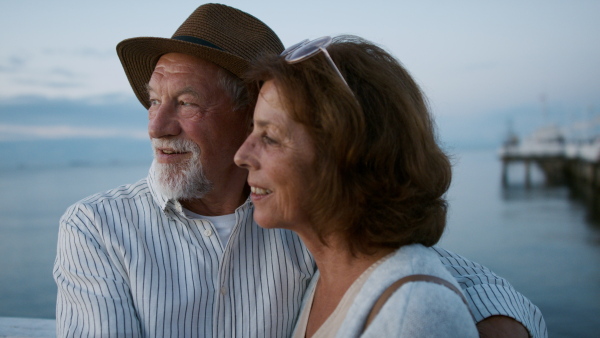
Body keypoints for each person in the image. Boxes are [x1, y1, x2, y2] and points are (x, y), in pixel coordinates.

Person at [53, 3, 546, 337]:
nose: (156, 126)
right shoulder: (98, 228)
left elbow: (420, 270)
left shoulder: (301, 209)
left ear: (252, 114)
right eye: (153, 101)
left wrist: (472, 318)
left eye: (185, 102)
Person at [234, 34, 480, 337]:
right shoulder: (327, 275)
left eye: (269, 137)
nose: (241, 156)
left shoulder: (413, 313)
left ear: (346, 154)